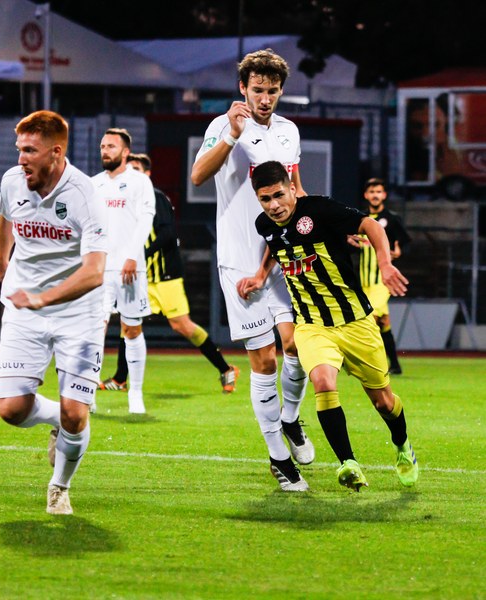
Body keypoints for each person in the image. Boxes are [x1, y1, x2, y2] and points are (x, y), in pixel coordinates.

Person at [249, 160, 419, 491]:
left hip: (356, 322)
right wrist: (259, 275)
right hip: (312, 325)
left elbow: (371, 225)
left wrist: (385, 263)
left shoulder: (319, 210)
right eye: (265, 199)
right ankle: (348, 463)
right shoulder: (264, 224)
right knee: (323, 382)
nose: (273, 205)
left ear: (292, 189)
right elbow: (276, 245)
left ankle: (402, 445)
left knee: (384, 402)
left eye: (279, 195)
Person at [190, 49, 314, 492]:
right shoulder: (221, 126)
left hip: (283, 256)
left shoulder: (288, 130)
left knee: (299, 346)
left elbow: (296, 189)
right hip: (241, 260)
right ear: (242, 88)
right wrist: (232, 135)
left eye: (272, 91)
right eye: (257, 90)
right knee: (264, 360)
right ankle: (279, 458)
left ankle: (290, 418)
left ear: (281, 91)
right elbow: (198, 175)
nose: (265, 98)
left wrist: (324, 227)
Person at [0, 110, 108, 515]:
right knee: (11, 409)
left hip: (79, 314)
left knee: (77, 416)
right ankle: (56, 417)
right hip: (25, 309)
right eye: (19, 149)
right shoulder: (13, 180)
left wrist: (44, 298)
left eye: (30, 150)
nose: (21, 158)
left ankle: (60, 486)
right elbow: (6, 217)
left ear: (56, 152)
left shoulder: (85, 196)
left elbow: (94, 272)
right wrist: (1, 256)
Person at [100, 152, 239, 394]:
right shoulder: (124, 201)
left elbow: (167, 234)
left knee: (182, 326)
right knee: (129, 324)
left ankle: (226, 369)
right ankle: (120, 378)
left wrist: (139, 253)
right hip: (141, 277)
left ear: (148, 174)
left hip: (164, 276)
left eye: (137, 170)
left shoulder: (155, 197)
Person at [92, 129, 155, 414]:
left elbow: (146, 219)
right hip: (99, 269)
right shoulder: (93, 184)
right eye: (103, 146)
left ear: (125, 152)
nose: (105, 151)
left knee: (131, 329)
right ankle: (87, 394)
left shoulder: (140, 181)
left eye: (111, 146)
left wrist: (131, 255)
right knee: (95, 330)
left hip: (130, 269)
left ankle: (135, 394)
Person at [356, 178, 411, 374]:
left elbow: (405, 242)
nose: (375, 195)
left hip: (382, 282)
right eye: (372, 192)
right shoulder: (360, 218)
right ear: (366, 195)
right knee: (383, 322)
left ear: (384, 195)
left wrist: (399, 249)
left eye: (378, 192)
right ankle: (395, 364)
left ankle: (366, 363)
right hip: (364, 281)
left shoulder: (391, 219)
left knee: (369, 318)